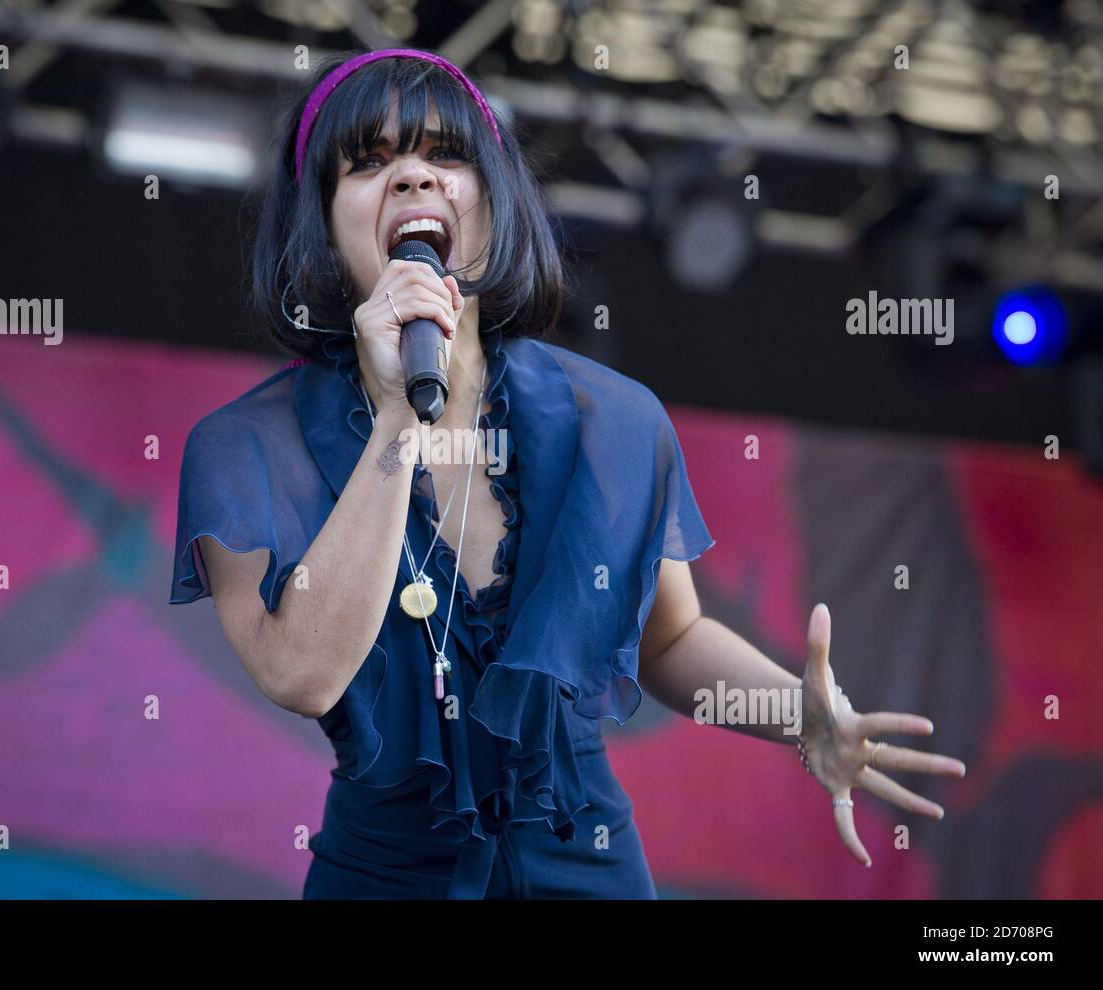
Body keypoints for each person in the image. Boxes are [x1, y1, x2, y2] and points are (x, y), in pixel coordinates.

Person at [169, 48, 966, 899]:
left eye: (447, 154)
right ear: (324, 227)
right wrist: (398, 417)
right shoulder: (248, 449)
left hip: (590, 865)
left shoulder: (609, 419)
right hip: (386, 876)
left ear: (493, 201)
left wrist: (801, 717)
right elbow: (302, 673)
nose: (413, 177)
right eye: (368, 162)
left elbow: (669, 641)